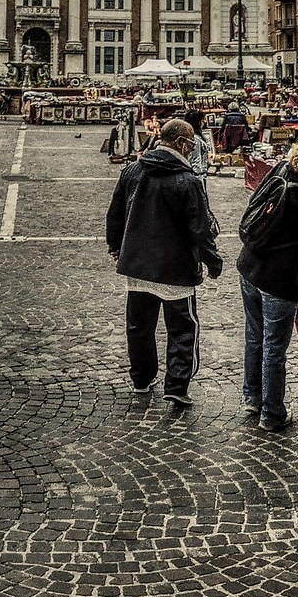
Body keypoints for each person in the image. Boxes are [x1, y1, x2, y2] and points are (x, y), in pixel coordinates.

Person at [105, 118, 223, 407]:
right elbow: (200, 229)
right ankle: (177, 385)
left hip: (138, 265)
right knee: (182, 327)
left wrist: (115, 247)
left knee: (139, 325)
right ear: (181, 143)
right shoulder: (188, 181)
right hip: (175, 268)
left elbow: (115, 213)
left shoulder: (133, 171)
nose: (193, 148)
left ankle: (142, 378)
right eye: (192, 143)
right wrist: (213, 261)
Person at [236, 127, 298, 433]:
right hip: (280, 280)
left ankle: (253, 397)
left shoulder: (281, 169)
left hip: (251, 266)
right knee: (274, 347)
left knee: (255, 337)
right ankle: (272, 413)